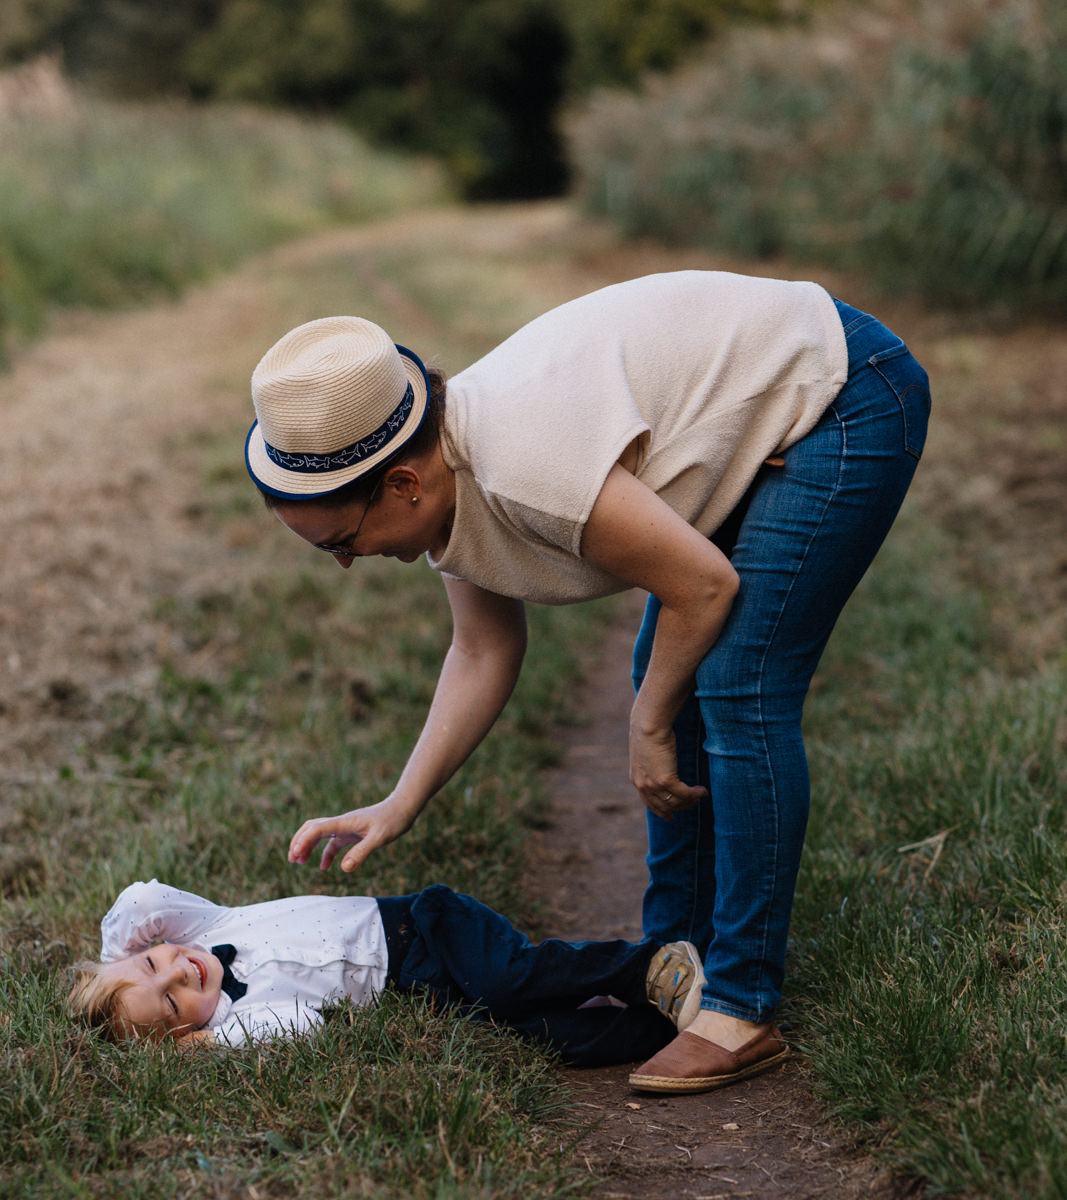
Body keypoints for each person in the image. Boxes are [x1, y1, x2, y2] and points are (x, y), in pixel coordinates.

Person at [244, 273, 930, 1094]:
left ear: (402, 484)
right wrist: (400, 802)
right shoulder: (444, 476)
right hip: (767, 390)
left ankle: (741, 1002)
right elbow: (482, 650)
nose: (347, 563)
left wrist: (646, 723)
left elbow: (701, 586)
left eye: (340, 541)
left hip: (841, 391)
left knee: (736, 685)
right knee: (669, 673)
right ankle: (676, 961)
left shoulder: (520, 465)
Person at [68, 878, 703, 1066]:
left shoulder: (205, 926)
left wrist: (116, 960)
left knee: (508, 980)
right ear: (185, 1036)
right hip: (429, 993)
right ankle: (667, 1030)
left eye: (152, 962)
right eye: (171, 1003)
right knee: (538, 1035)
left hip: (424, 926)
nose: (178, 974)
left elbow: (141, 901)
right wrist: (210, 1045)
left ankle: (646, 966)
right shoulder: (242, 1020)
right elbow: (305, 1027)